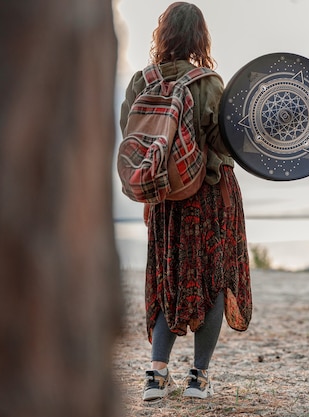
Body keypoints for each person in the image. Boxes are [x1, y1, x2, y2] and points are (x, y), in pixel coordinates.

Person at [119, 2, 252, 401]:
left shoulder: (140, 82)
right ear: (200, 37)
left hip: (164, 200)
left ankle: (156, 376)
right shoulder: (209, 83)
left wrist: (159, 183)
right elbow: (224, 144)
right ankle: (199, 378)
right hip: (210, 196)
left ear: (162, 35)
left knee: (166, 278)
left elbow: (135, 140)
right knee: (214, 280)